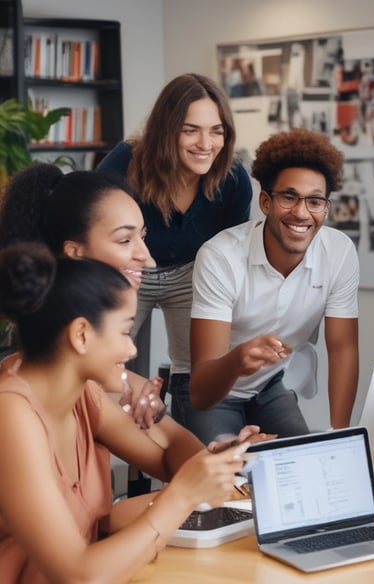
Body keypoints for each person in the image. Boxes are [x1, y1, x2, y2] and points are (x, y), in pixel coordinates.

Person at [0, 242, 258, 583]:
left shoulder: (83, 396)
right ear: (80, 335)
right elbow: (78, 576)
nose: (132, 348)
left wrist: (222, 459)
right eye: (124, 331)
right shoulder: (11, 414)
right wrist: (183, 495)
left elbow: (165, 458)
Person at [184, 128, 360, 445]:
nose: (302, 213)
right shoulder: (220, 256)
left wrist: (340, 437)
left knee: (304, 463)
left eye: (315, 201)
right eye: (289, 197)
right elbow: (200, 391)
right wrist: (238, 359)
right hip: (212, 391)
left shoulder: (339, 252)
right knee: (227, 476)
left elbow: (342, 348)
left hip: (268, 385)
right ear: (266, 201)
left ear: (326, 208)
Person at [97, 73, 253, 425]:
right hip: (126, 271)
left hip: (191, 273)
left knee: (198, 371)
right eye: (190, 129)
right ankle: (111, 445)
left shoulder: (233, 180)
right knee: (102, 365)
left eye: (216, 130)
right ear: (167, 130)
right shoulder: (125, 164)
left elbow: (230, 258)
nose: (205, 143)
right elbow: (92, 230)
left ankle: (194, 447)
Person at [0, 163, 166, 429]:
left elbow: (170, 445)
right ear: (80, 334)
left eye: (142, 237)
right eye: (124, 240)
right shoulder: (20, 395)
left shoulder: (97, 374)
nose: (147, 259)